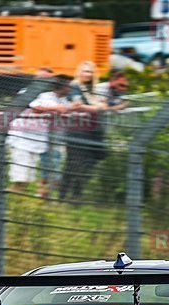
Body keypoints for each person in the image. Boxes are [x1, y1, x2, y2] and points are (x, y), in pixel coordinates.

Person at [6, 75, 76, 196]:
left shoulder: (64, 100)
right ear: (62, 86)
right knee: (20, 175)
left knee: (28, 176)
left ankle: (17, 199)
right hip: (22, 139)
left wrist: (70, 108)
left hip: (37, 141)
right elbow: (36, 108)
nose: (71, 88)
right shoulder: (43, 95)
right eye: (69, 85)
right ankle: (9, 197)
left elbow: (65, 111)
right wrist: (56, 108)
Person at [60, 61, 107, 200]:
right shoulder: (74, 86)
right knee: (72, 164)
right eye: (85, 71)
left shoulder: (92, 89)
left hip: (91, 132)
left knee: (87, 163)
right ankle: (63, 196)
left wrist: (98, 106)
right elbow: (77, 105)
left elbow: (103, 104)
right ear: (79, 72)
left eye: (90, 72)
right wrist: (98, 107)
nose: (87, 74)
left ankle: (76, 195)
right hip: (76, 130)